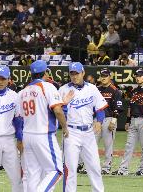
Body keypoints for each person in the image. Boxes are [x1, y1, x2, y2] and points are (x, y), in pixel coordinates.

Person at [18, 60, 69, 191]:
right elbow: (57, 110)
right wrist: (65, 127)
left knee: (33, 174)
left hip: (28, 135)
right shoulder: (47, 86)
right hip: (43, 135)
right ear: (45, 72)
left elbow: (19, 118)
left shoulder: (23, 91)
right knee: (57, 170)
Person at [59, 62, 107, 192]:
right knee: (71, 169)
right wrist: (64, 104)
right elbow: (57, 113)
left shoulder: (92, 88)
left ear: (83, 73)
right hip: (71, 132)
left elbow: (101, 108)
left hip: (88, 133)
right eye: (72, 73)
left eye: (77, 73)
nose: (74, 76)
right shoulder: (63, 90)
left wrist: (99, 121)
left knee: (95, 167)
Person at [112, 68, 143, 176]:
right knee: (129, 145)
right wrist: (127, 121)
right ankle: (123, 169)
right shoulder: (134, 91)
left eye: (140, 76)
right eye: (136, 76)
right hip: (133, 120)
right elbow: (130, 107)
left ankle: (142, 169)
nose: (137, 77)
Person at [97, 68, 124, 174]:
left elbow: (117, 107)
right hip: (97, 120)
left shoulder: (115, 90)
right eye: (102, 76)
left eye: (105, 76)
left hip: (108, 119)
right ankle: (92, 166)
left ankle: (106, 167)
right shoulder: (96, 89)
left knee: (108, 145)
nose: (103, 78)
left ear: (110, 77)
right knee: (92, 144)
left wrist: (113, 121)